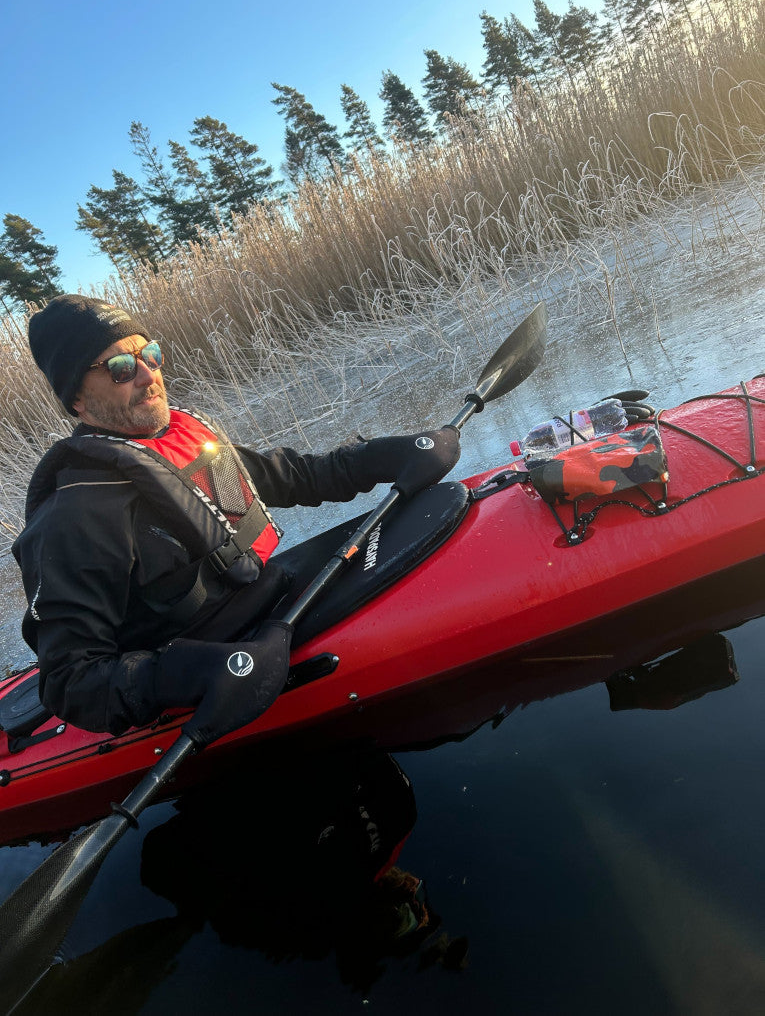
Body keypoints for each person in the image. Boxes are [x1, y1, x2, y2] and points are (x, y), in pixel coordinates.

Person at [12, 295, 460, 747]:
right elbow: (69, 682)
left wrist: (382, 456)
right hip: (208, 662)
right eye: (121, 368)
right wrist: (189, 673)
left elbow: (290, 477)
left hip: (270, 602)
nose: (149, 376)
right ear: (77, 399)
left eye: (151, 354)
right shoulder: (71, 517)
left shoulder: (176, 444)